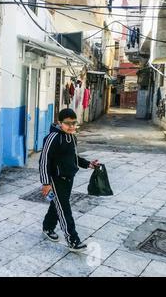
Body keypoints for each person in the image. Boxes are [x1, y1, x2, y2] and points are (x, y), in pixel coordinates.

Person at [39, 108, 100, 252]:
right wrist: (46, 183)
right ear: (60, 123)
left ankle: (47, 227)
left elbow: (74, 157)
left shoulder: (72, 137)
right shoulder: (52, 138)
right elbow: (44, 161)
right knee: (65, 209)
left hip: (69, 178)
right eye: (68, 123)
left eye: (74, 123)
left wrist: (88, 164)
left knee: (57, 205)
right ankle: (73, 240)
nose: (72, 126)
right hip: (55, 179)